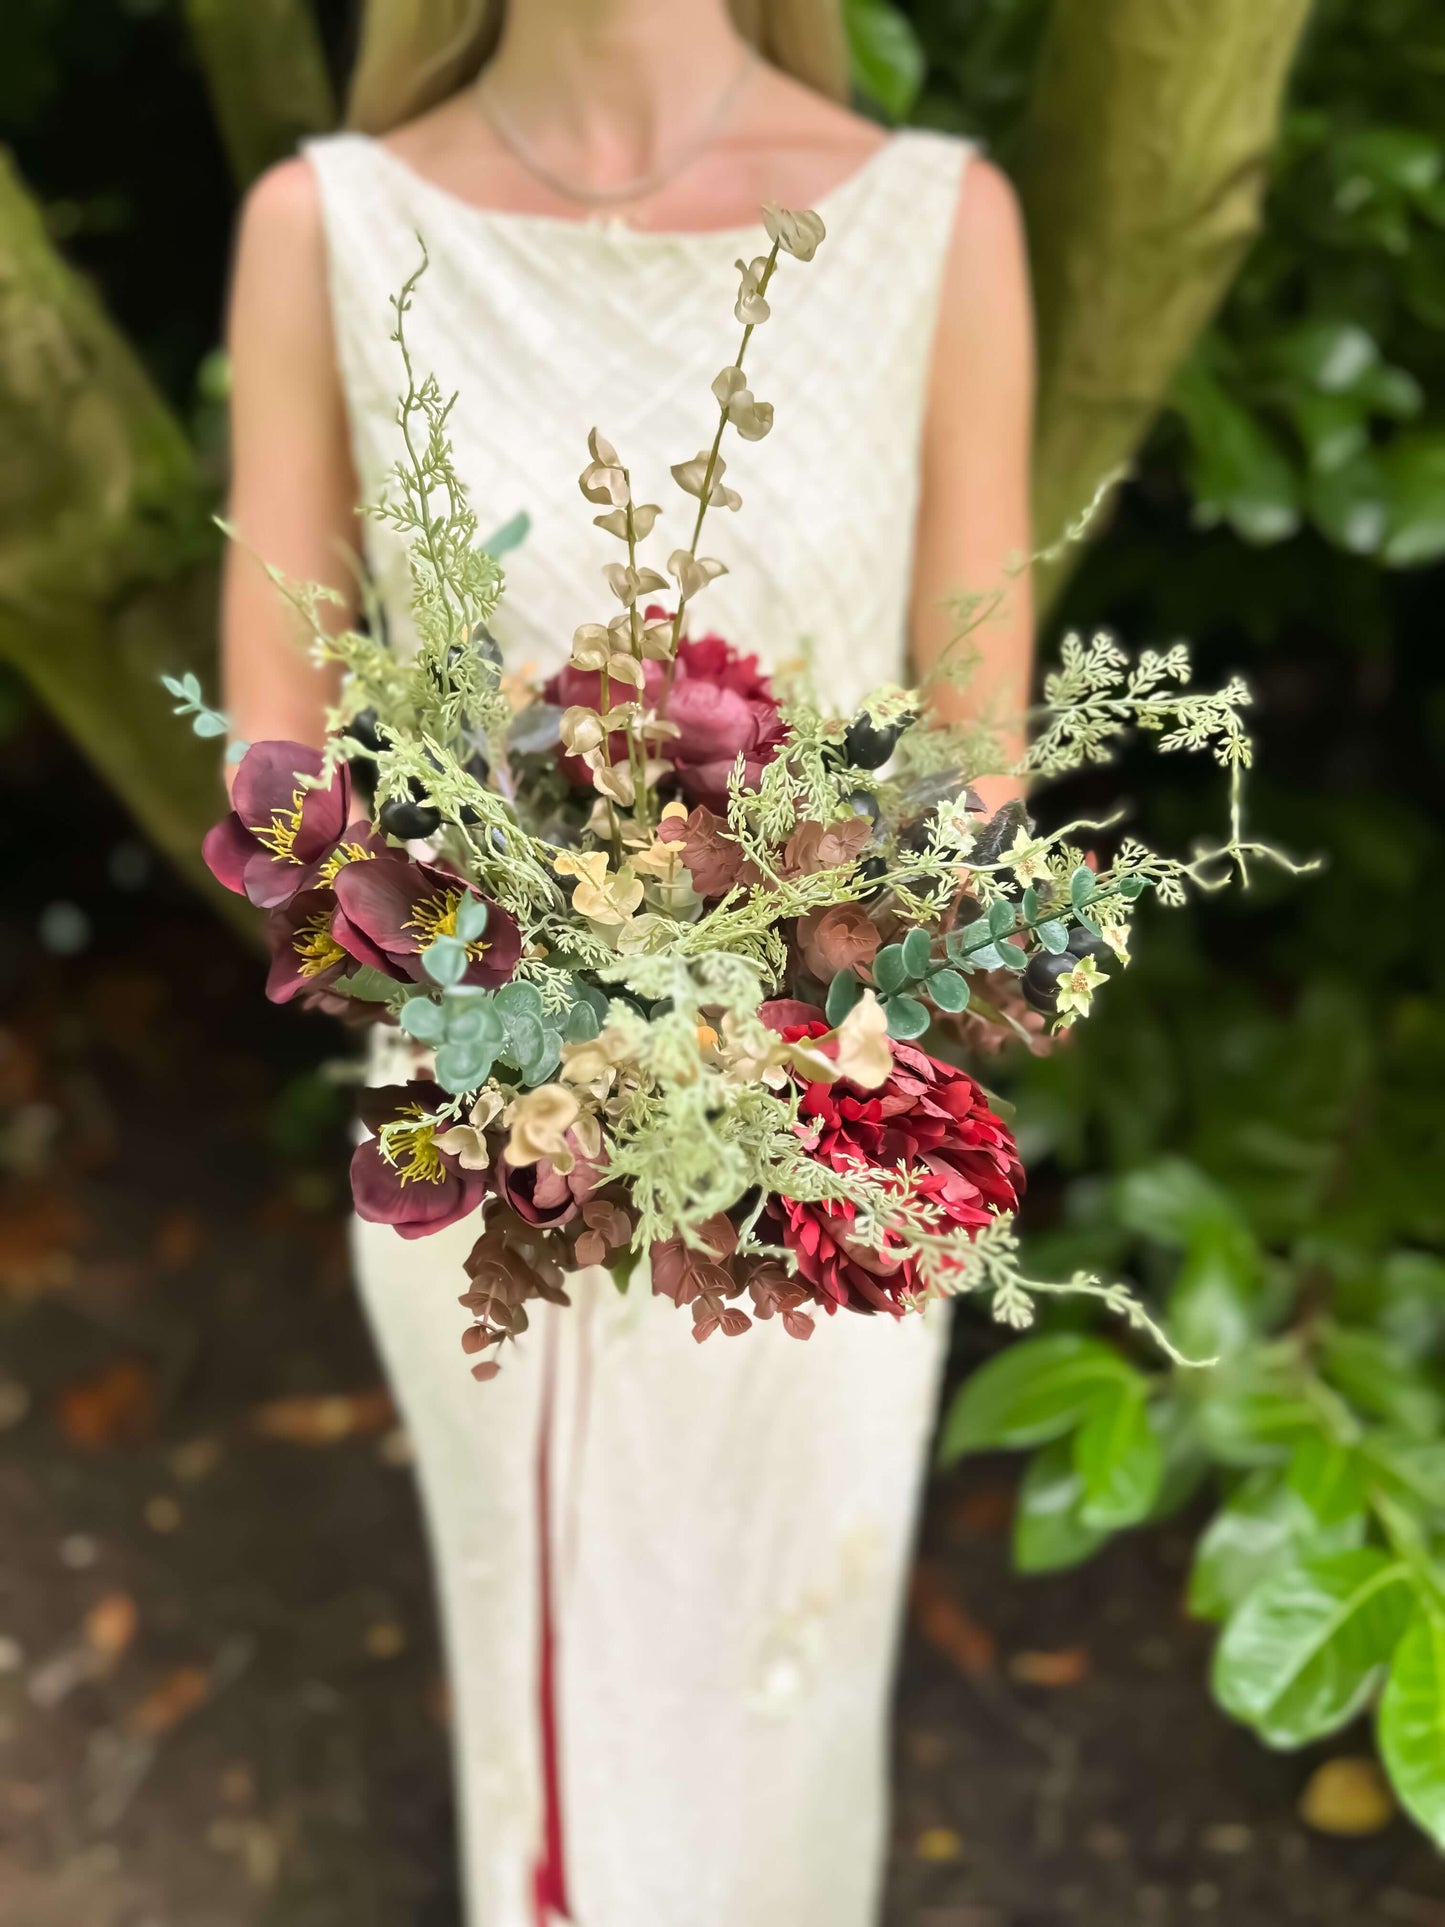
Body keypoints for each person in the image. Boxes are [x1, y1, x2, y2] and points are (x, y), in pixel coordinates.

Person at [220, 2, 1033, 1921]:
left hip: (834, 1154)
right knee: (552, 1721)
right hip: (483, 1140)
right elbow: (277, 773)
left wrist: (778, 1015)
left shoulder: (939, 223)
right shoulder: (321, 226)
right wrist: (518, 1004)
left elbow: (974, 774)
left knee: (787, 1698)